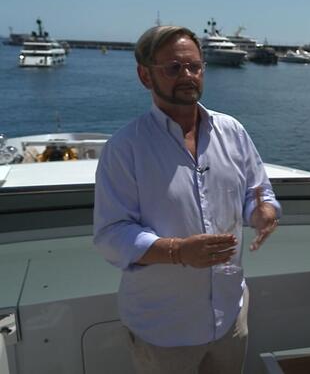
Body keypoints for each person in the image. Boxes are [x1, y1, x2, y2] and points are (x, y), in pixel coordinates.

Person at [93, 25, 280, 374]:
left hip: (230, 316)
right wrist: (178, 251)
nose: (188, 75)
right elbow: (110, 235)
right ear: (145, 76)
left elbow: (258, 191)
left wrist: (263, 212)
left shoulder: (232, 131)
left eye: (194, 66)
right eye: (174, 68)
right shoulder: (125, 148)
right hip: (163, 330)